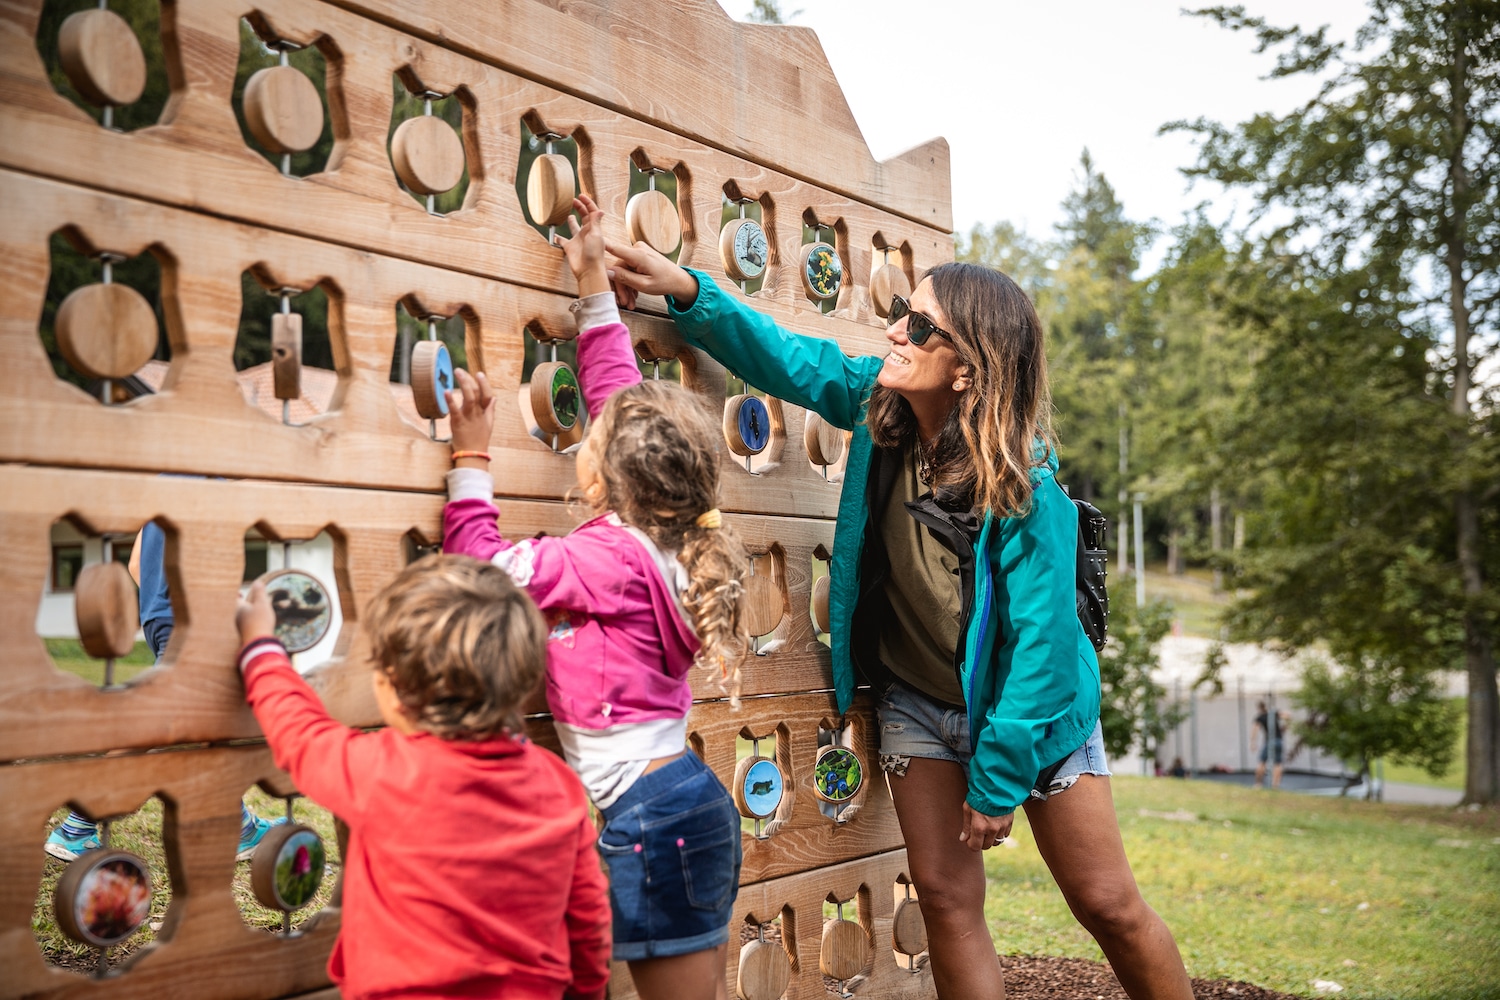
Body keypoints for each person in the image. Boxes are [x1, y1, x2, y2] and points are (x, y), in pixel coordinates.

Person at [604, 247, 1194, 1000]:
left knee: (1106, 904)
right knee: (947, 899)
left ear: (968, 370)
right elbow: (789, 358)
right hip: (918, 700)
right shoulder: (879, 410)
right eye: (901, 314)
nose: (896, 332)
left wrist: (996, 783)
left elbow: (1043, 655)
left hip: (1037, 716)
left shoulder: (1025, 491)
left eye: (920, 326)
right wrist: (689, 291)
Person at [442, 195, 745, 1000]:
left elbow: (477, 567)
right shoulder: (677, 533)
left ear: (604, 478)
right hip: (678, 804)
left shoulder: (599, 558)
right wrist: (591, 288)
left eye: (590, 444)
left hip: (654, 821)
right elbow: (621, 401)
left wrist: (471, 458)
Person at [235, 556, 611, 1000]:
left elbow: (299, 732)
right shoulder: (556, 784)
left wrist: (260, 645)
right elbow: (587, 911)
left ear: (391, 686)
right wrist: (588, 990)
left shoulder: (383, 772)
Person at [45, 523, 280, 863]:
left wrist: (162, 604)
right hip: (189, 618)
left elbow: (137, 564)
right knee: (158, 724)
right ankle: (77, 826)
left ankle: (239, 828)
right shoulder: (206, 482)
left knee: (205, 722)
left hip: (160, 618)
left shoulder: (162, 495)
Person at [1252, 701, 1287, 789]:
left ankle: (1258, 784)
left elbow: (1254, 731)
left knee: (1262, 762)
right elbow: (1288, 715)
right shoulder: (1273, 714)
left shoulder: (1260, 717)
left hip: (1269, 741)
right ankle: (1275, 785)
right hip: (1279, 740)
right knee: (1278, 763)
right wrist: (1285, 727)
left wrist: (1253, 743)